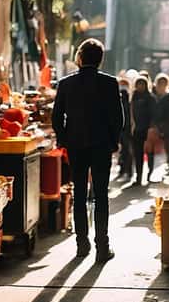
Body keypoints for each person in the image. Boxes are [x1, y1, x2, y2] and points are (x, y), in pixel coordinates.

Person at [52, 39, 123, 262]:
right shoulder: (110, 83)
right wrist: (113, 141)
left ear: (79, 57)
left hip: (76, 146)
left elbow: (56, 118)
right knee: (102, 195)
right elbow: (118, 119)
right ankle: (103, 246)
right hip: (101, 145)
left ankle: (82, 245)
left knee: (80, 194)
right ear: (101, 59)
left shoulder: (65, 84)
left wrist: (64, 138)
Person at [131, 77, 157, 184]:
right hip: (136, 130)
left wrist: (151, 127)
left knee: (150, 154)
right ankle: (138, 177)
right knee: (138, 155)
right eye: (138, 84)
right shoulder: (133, 97)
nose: (140, 86)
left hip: (148, 130)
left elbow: (154, 114)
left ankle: (149, 175)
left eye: (142, 84)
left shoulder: (150, 97)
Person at [117, 79, 133, 181]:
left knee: (125, 150)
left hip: (124, 128)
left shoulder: (118, 97)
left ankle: (125, 169)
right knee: (126, 150)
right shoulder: (131, 97)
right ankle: (126, 170)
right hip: (126, 128)